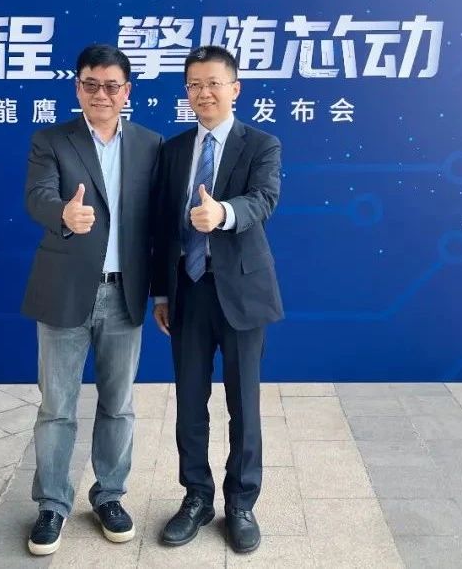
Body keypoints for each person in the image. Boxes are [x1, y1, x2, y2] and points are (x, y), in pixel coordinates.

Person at [21, 44, 162, 555]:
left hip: (126, 293)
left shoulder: (150, 144)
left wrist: (163, 290)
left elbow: (158, 223)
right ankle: (52, 504)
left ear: (127, 91)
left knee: (118, 405)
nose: (100, 94)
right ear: (77, 87)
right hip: (65, 289)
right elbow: (37, 196)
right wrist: (63, 213)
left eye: (111, 86)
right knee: (57, 406)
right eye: (90, 84)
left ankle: (109, 496)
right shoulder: (51, 140)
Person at [151, 45, 283, 554]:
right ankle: (196, 498)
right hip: (187, 291)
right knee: (189, 401)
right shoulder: (172, 150)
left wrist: (223, 213)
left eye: (213, 83)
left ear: (235, 89)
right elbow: (162, 227)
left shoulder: (261, 144)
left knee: (243, 402)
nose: (203, 93)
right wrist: (161, 293)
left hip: (243, 292)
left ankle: (242, 503)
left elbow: (263, 200)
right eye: (194, 85)